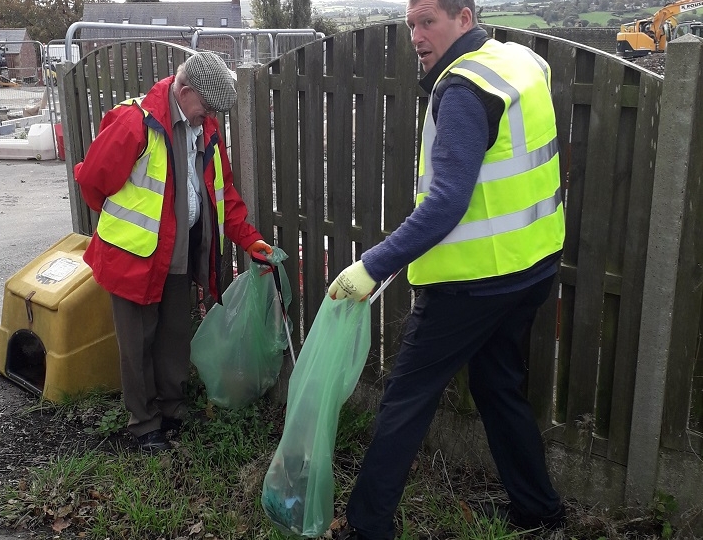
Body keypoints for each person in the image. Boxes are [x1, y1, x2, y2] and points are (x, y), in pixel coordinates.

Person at [327, 0, 567, 537]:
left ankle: (365, 529)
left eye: (427, 20)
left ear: (465, 17)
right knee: (497, 383)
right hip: (534, 265)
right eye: (410, 23)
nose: (415, 34)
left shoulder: (462, 89)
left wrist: (373, 266)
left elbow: (445, 203)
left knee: (406, 401)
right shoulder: (520, 61)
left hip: (473, 283)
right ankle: (539, 509)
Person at [74, 52, 272, 454]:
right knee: (137, 345)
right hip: (133, 259)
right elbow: (93, 180)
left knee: (173, 339)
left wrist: (250, 240)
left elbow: (223, 196)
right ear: (184, 92)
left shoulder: (206, 130)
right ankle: (144, 425)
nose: (209, 117)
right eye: (205, 108)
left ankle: (172, 411)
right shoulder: (136, 123)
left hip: (176, 260)